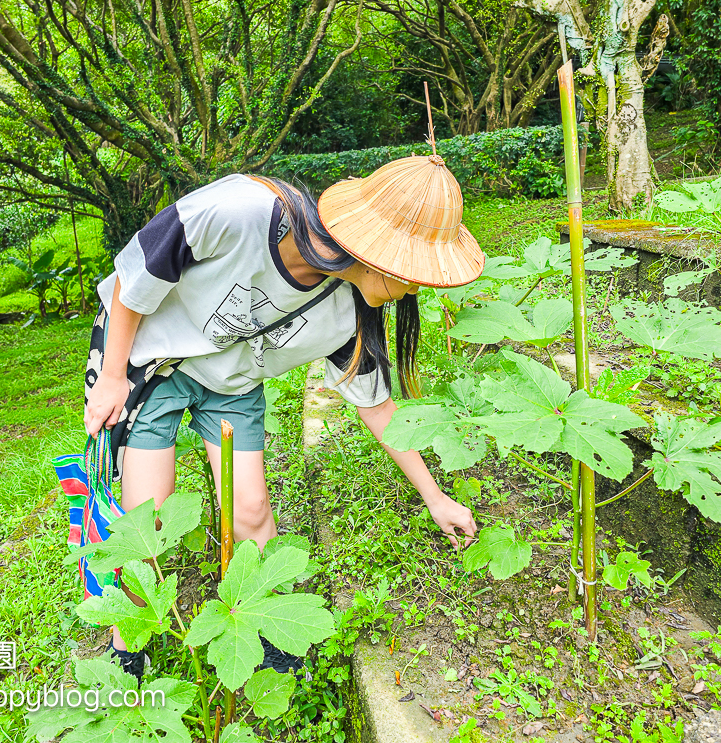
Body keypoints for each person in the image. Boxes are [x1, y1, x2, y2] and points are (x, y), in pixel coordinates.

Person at [81, 153, 486, 680]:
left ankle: (264, 629)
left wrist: (436, 498)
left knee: (251, 513)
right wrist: (112, 376)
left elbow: (379, 407)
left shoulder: (354, 313)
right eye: (413, 275)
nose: (415, 290)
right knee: (146, 522)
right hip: (149, 359)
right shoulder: (241, 210)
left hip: (231, 384)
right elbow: (135, 276)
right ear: (379, 257)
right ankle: (125, 650)